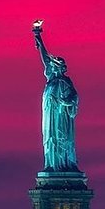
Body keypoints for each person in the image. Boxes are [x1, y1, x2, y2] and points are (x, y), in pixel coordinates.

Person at [32, 21, 79, 172]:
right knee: (50, 138)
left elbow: (74, 98)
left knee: (62, 139)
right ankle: (51, 164)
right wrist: (39, 37)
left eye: (53, 64)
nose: (50, 65)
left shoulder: (66, 82)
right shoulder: (51, 78)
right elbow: (45, 57)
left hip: (61, 116)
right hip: (50, 113)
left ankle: (64, 164)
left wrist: (64, 102)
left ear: (59, 67)